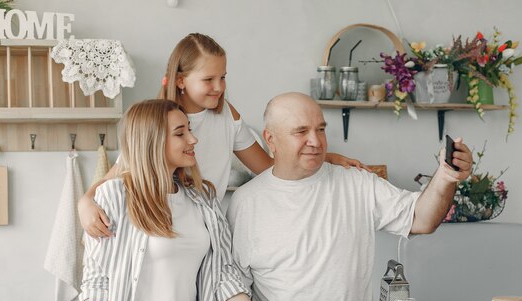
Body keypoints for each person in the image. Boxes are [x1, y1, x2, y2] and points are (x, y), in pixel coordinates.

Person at [79, 33, 365, 239]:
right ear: (180, 80)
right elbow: (114, 178)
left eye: (223, 77)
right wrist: (85, 203)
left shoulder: (226, 115)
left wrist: (323, 157)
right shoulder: (157, 121)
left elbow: (268, 168)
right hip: (158, 233)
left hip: (206, 232)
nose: (218, 87)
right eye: (208, 80)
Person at [226, 92, 473, 301]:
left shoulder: (356, 181)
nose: (315, 141)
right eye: (301, 131)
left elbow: (422, 219)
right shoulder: (246, 201)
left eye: (320, 129)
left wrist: (445, 177)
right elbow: (235, 288)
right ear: (271, 139)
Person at [79, 99, 276, 301]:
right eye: (180, 133)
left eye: (190, 130)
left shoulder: (203, 198)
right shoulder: (115, 195)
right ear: (153, 141)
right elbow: (96, 279)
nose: (193, 140)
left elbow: (225, 275)